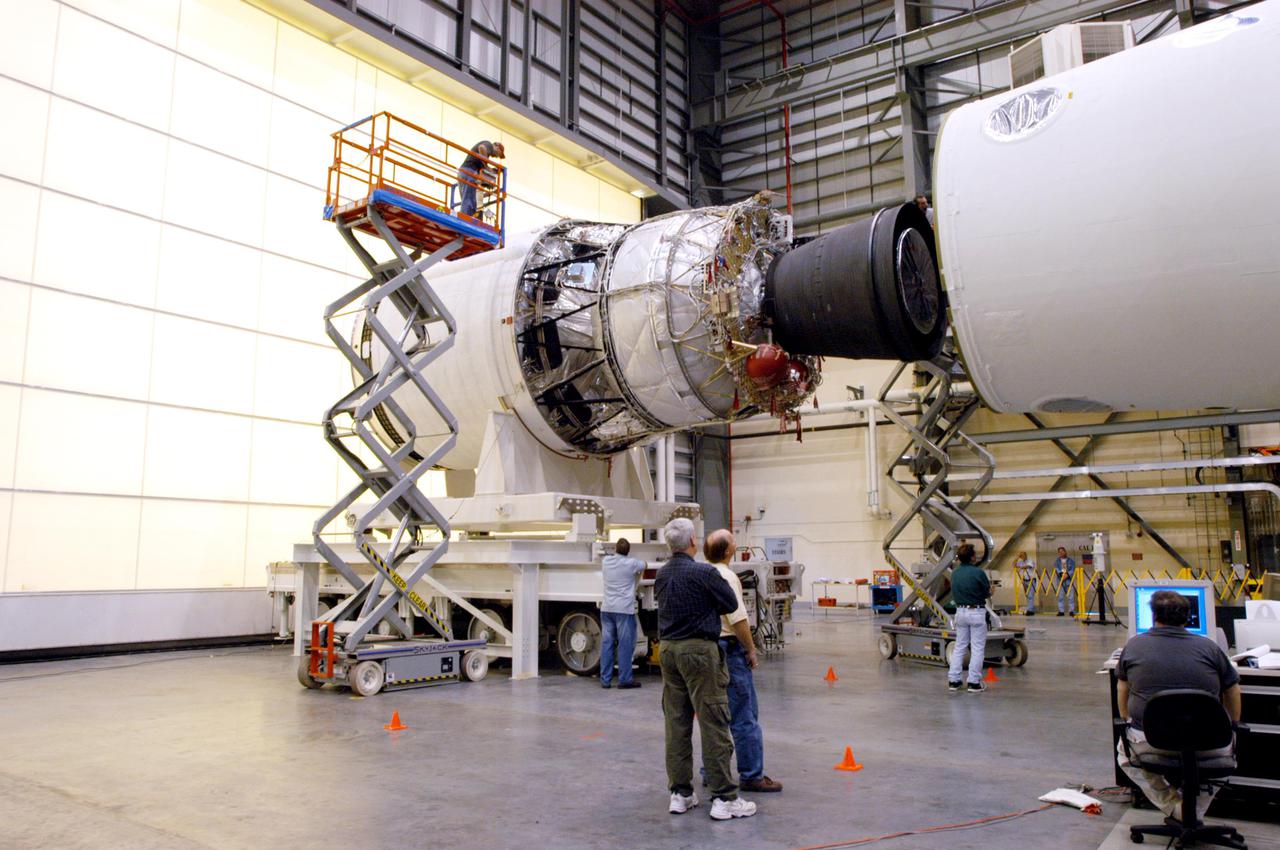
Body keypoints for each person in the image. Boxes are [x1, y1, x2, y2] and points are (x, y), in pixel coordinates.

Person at [655, 517, 757, 821]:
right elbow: (730, 604)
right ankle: (724, 797)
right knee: (714, 721)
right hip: (699, 651)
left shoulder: (662, 574)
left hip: (668, 651)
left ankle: (680, 794)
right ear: (692, 542)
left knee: (677, 724)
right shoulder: (704, 573)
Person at [1115, 590, 1241, 818]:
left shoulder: (1134, 647)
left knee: (1125, 756)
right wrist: (1233, 725)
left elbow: (1122, 687)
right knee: (1228, 755)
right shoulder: (1210, 648)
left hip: (1151, 740)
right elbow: (1232, 689)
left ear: (1154, 616)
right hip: (1211, 742)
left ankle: (1175, 806)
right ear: (1187, 617)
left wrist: (1126, 719)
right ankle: (1195, 809)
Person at [703, 529, 782, 793]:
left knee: (714, 716)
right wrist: (750, 649)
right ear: (728, 551)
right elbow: (738, 619)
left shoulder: (703, 574)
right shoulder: (728, 577)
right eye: (733, 541)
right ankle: (751, 774)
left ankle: (711, 771)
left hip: (709, 649)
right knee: (743, 715)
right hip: (730, 650)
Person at [599, 538, 645, 690]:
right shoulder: (631, 563)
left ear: (615, 549)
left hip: (607, 609)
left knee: (607, 643)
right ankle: (625, 679)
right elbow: (644, 564)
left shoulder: (606, 561)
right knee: (625, 645)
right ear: (628, 551)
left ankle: (605, 680)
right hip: (624, 610)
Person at [947, 543, 991, 693]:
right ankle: (973, 682)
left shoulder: (955, 573)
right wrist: (991, 591)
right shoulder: (978, 572)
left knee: (960, 647)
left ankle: (954, 680)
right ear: (972, 557)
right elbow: (986, 592)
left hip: (960, 612)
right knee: (977, 648)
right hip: (976, 612)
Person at [457, 140, 504, 217]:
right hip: (469, 172)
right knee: (469, 201)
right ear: (497, 147)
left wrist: (488, 172)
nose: (497, 157)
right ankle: (465, 218)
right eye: (499, 154)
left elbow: (482, 169)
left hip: (464, 172)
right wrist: (486, 167)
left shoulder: (483, 157)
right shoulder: (489, 145)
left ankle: (465, 217)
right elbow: (482, 148)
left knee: (468, 200)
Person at [1054, 546, 1077, 616]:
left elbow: (1073, 569)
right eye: (1059, 552)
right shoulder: (1057, 561)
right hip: (1060, 580)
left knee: (1071, 597)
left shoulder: (1071, 561)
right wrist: (1061, 575)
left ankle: (1071, 611)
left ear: (1065, 551)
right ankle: (1061, 611)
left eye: (1062, 551)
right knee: (1060, 597)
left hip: (1069, 580)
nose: (1061, 553)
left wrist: (1067, 575)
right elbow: (1056, 569)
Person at [1014, 550, 1037, 615]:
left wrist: (1021, 567)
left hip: (1031, 580)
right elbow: (1014, 565)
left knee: (1030, 595)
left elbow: (1029, 566)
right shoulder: (1021, 562)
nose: (1022, 556)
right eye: (1021, 555)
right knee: (1027, 595)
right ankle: (1030, 609)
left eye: (1022, 555)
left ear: (1025, 555)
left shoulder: (1030, 560)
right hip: (1024, 580)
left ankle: (1030, 610)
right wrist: (1017, 558)